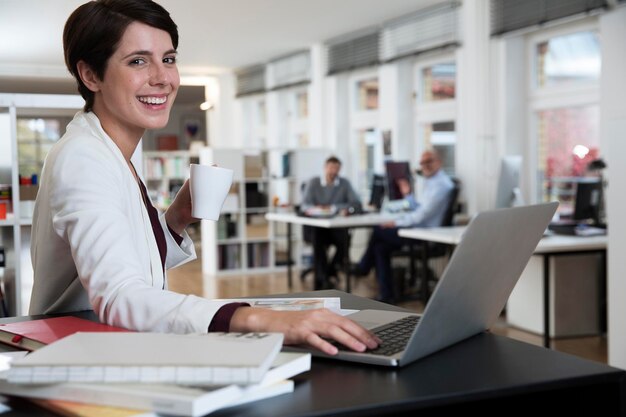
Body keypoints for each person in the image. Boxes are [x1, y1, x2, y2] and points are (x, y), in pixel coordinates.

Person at [29, 0, 378, 357]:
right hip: (82, 360)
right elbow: (119, 295)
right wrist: (258, 319)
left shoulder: (117, 152)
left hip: (113, 345)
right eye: (137, 61)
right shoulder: (84, 157)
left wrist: (176, 220)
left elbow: (128, 264)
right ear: (90, 75)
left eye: (168, 59)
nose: (162, 78)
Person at [353, 150, 454, 303]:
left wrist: (396, 223)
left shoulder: (441, 185)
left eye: (429, 161)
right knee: (380, 248)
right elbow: (420, 208)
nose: (424, 166)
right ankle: (386, 295)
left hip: (425, 235)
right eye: (422, 162)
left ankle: (364, 267)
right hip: (419, 230)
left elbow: (422, 215)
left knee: (378, 230)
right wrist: (407, 195)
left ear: (438, 162)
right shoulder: (432, 182)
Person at [300, 156, 362, 290]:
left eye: (337, 169)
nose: (333, 171)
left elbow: (356, 203)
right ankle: (323, 277)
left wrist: (335, 208)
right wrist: (317, 209)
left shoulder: (344, 183)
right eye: (331, 168)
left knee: (346, 239)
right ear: (325, 167)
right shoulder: (314, 183)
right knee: (318, 239)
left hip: (335, 227)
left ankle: (329, 271)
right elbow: (304, 205)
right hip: (317, 228)